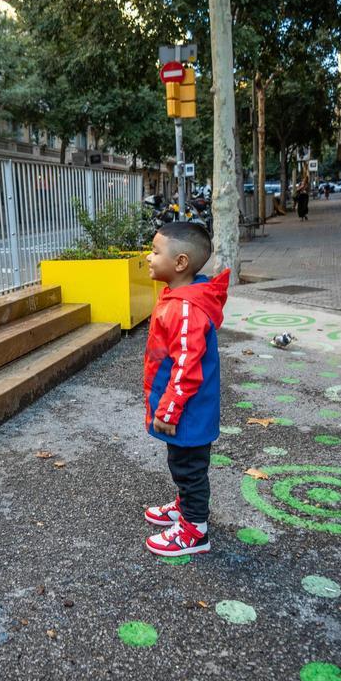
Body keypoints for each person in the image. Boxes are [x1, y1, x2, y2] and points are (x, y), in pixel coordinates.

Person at [141, 222, 230, 557]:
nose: (148, 257)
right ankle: (184, 507)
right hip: (186, 410)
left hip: (185, 412)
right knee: (182, 463)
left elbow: (186, 370)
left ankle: (195, 530)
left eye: (155, 251)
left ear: (180, 263)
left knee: (190, 469)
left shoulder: (185, 308)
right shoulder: (179, 298)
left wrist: (167, 411)